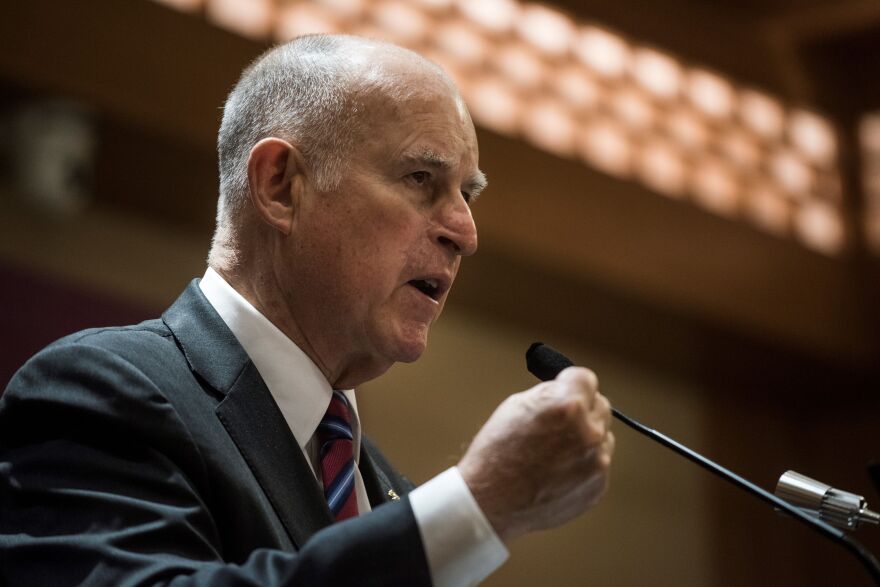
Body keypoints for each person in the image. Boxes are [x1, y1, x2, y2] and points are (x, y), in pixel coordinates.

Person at [0, 34, 614, 586]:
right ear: (280, 186)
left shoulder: (386, 489)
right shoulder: (99, 395)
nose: (465, 232)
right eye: (421, 178)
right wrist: (475, 504)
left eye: (467, 194)